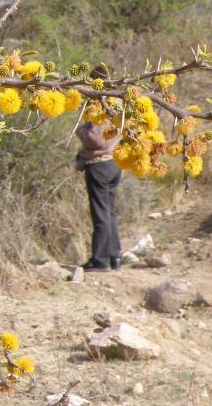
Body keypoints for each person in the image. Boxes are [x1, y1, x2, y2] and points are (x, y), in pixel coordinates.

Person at [75, 69, 122, 272]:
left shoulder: (99, 105)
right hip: (115, 164)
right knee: (109, 212)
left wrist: (80, 130)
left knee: (101, 214)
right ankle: (114, 256)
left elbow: (96, 139)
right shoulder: (117, 102)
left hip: (99, 166)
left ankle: (100, 260)